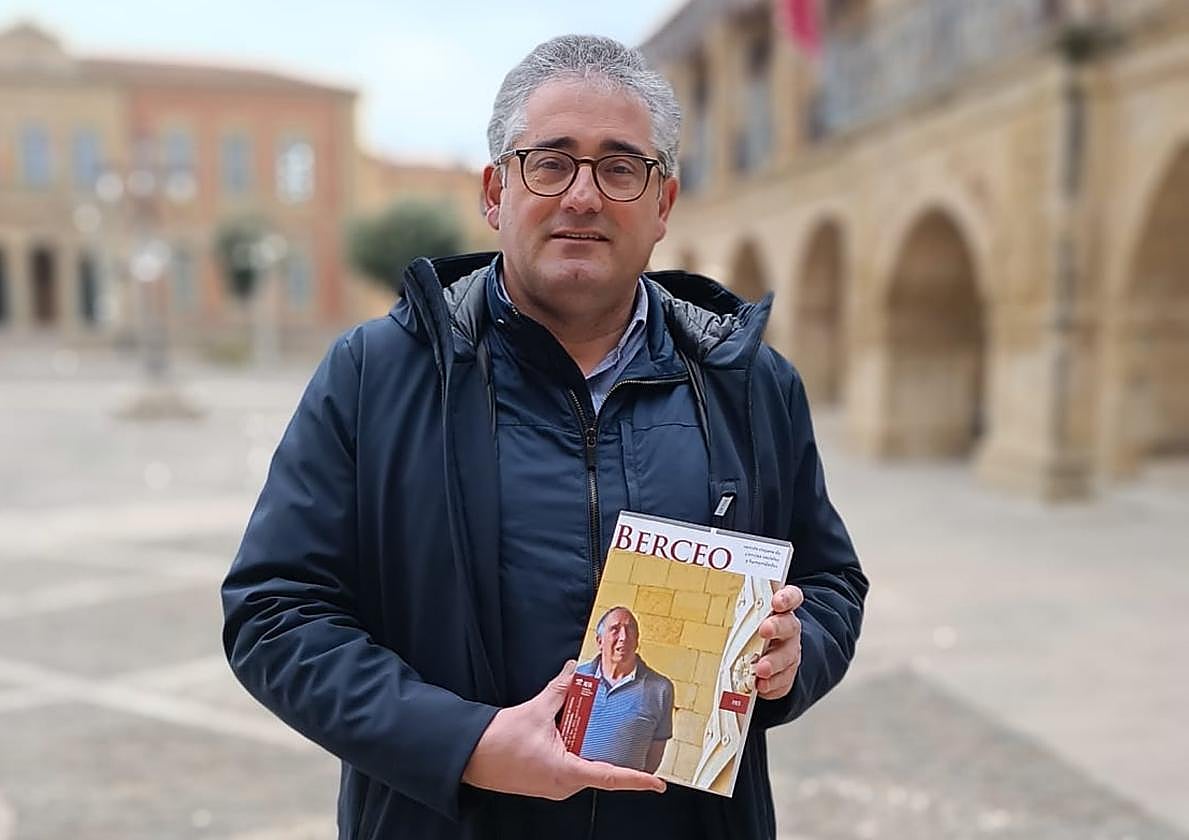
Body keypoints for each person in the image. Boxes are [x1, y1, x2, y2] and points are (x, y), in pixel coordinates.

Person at [222, 34, 867, 840]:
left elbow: (832, 580)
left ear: (663, 204)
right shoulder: (375, 375)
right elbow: (274, 614)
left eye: (620, 167)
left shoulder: (749, 383)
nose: (583, 196)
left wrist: (795, 651)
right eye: (550, 161)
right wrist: (467, 745)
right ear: (495, 191)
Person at [575, 607, 673, 773]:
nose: (624, 637)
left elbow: (656, 749)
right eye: (615, 629)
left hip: (622, 791)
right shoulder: (577, 676)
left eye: (630, 630)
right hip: (569, 781)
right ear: (599, 641)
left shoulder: (661, 688)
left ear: (637, 640)